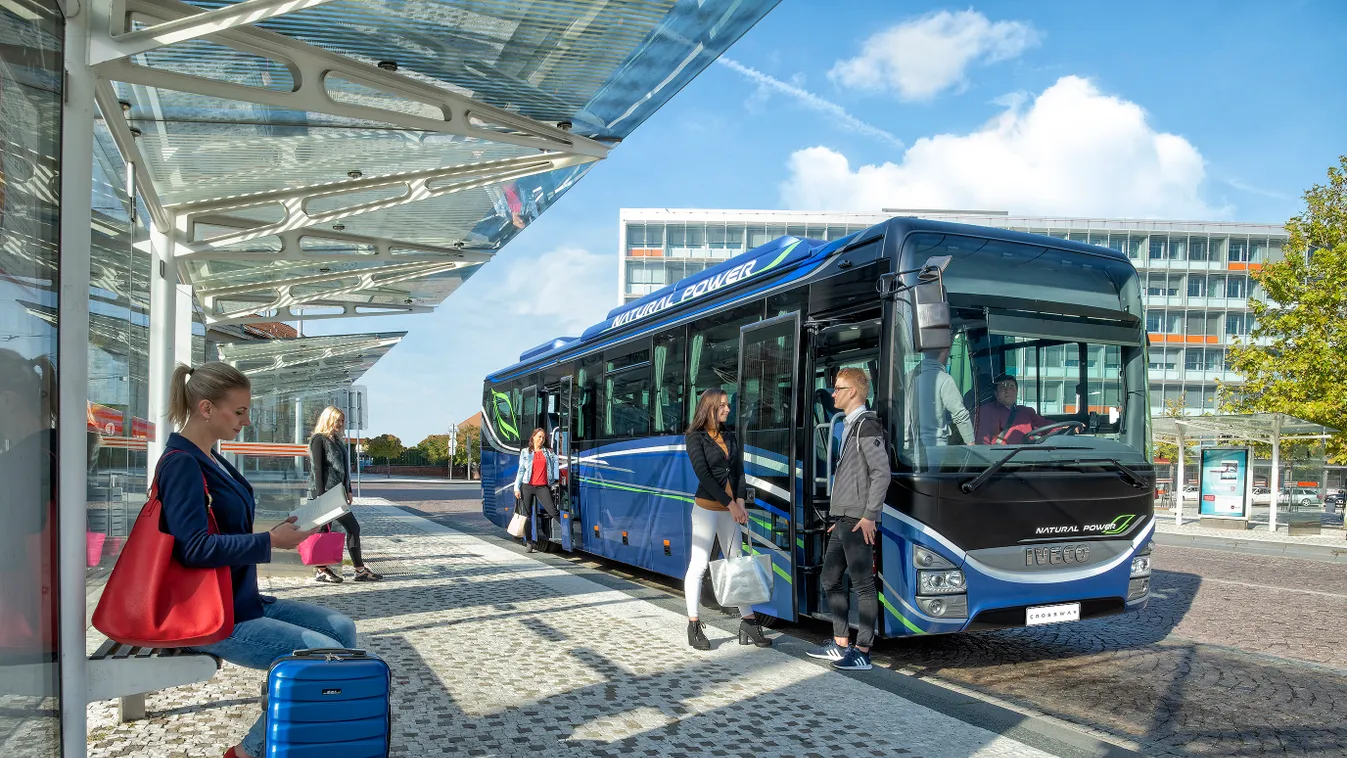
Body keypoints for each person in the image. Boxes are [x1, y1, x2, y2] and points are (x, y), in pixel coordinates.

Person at [162, 362, 357, 758]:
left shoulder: (211, 459)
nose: (247, 421)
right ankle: (249, 752)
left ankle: (300, 730)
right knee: (319, 657)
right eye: (239, 412)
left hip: (240, 597)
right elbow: (193, 548)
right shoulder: (181, 463)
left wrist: (283, 528)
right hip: (211, 613)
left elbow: (223, 529)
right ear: (205, 408)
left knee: (342, 629)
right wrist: (269, 541)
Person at [807, 367, 888, 671]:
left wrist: (869, 516)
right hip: (844, 517)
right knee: (829, 578)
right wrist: (838, 514)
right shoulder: (850, 425)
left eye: (838, 388)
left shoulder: (866, 425)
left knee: (863, 585)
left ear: (853, 391)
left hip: (858, 519)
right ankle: (840, 643)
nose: (833, 394)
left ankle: (863, 653)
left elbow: (882, 473)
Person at [682, 389, 771, 650]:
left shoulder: (730, 435)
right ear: (710, 407)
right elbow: (704, 476)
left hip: (731, 510)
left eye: (728, 405)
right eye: (723, 405)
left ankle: (749, 623)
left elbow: (740, 472)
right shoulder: (694, 438)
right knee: (698, 566)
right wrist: (731, 504)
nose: (728, 409)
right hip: (707, 510)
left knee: (737, 565)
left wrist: (741, 502)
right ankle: (694, 624)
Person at [308, 405, 382, 583]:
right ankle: (323, 569)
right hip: (325, 493)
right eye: (338, 420)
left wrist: (349, 489)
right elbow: (316, 468)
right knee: (324, 532)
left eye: (342, 420)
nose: (341, 424)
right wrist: (321, 495)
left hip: (337, 493)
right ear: (328, 419)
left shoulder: (338, 441)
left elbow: (344, 470)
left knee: (350, 528)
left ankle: (357, 570)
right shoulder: (318, 439)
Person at [905, 348, 973, 464]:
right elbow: (959, 414)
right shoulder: (943, 379)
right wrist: (971, 443)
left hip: (907, 448)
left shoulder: (907, 377)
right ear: (945, 353)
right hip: (935, 448)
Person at [513, 427, 560, 553]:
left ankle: (568, 531)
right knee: (526, 516)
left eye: (543, 437)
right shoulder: (525, 452)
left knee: (553, 511)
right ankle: (529, 542)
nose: (541, 439)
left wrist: (556, 479)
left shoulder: (548, 452)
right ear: (533, 437)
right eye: (539, 436)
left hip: (542, 487)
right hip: (527, 486)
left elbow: (557, 464)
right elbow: (521, 470)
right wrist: (516, 488)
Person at [974, 373, 1053, 445]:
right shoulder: (986, 411)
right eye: (1002, 387)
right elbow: (982, 441)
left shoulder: (1026, 411)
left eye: (1011, 387)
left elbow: (1044, 426)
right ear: (996, 393)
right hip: (1004, 457)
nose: (1007, 390)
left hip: (1029, 453)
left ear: (1017, 392)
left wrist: (1063, 429)